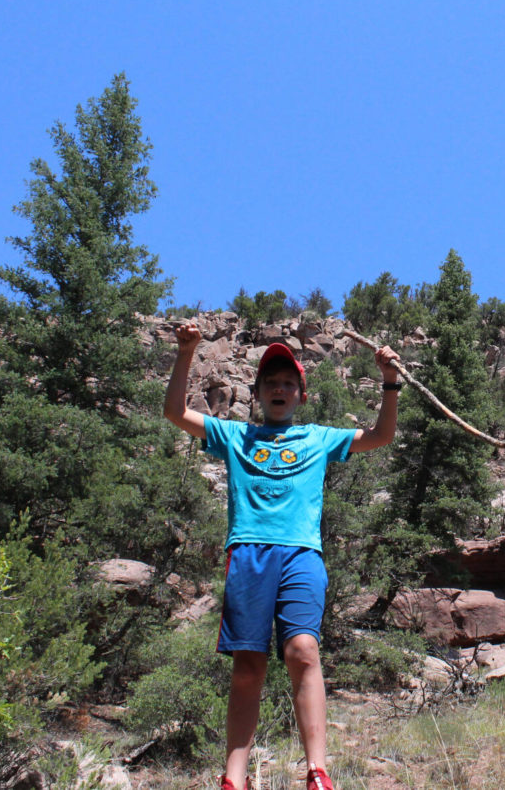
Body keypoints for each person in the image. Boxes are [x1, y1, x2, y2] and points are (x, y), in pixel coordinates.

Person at [164, 322, 401, 790]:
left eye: (288, 383)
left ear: (302, 395)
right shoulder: (234, 436)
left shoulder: (318, 438)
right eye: (270, 383)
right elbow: (174, 412)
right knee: (248, 664)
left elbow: (381, 436)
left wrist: (390, 382)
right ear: (257, 393)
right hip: (248, 554)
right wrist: (187, 351)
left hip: (300, 555)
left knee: (302, 649)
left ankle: (316, 771)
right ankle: (234, 778)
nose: (279, 389)